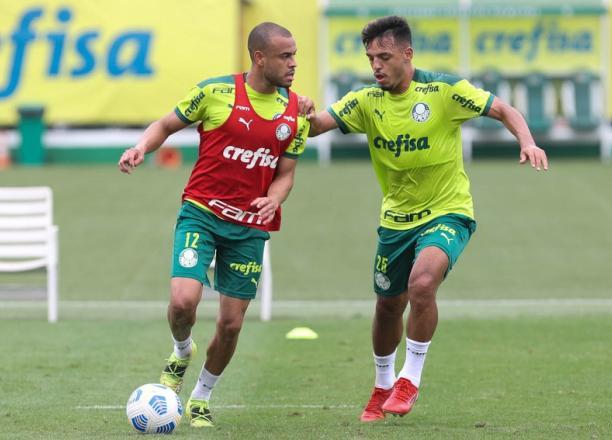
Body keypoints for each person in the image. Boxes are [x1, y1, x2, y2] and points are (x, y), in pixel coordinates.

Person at [304, 15, 548, 422]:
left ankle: (409, 379)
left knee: (422, 284)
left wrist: (527, 141)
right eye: (370, 58)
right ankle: (382, 384)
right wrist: (299, 109)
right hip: (396, 221)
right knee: (387, 306)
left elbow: (503, 109)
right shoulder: (366, 102)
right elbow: (315, 127)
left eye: (384, 56)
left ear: (407, 53)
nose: (376, 65)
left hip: (448, 212)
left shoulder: (444, 90)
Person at [118, 22, 309, 428]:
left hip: (249, 228)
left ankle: (201, 396)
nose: (293, 64)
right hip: (201, 213)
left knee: (230, 323)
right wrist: (140, 147)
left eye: (295, 55)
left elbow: (286, 173)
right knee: (184, 301)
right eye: (285, 56)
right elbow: (166, 125)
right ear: (260, 58)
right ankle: (181, 350)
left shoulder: (295, 113)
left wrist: (273, 198)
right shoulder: (215, 93)